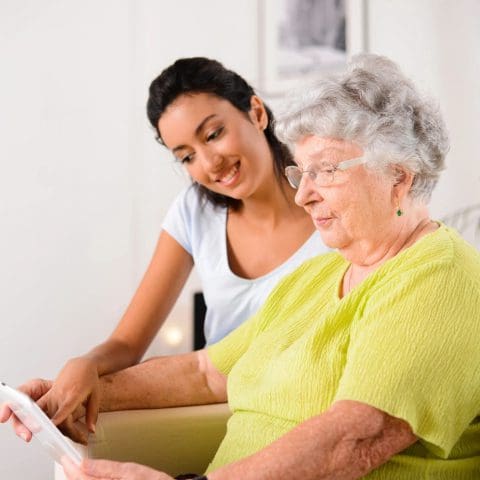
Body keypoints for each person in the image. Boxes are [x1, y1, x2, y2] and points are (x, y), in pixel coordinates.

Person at [5, 53, 480, 479]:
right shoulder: (317, 277)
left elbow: (355, 437)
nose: (304, 193)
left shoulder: (440, 275)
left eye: (327, 171)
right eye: (302, 172)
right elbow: (207, 374)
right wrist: (74, 394)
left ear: (399, 175)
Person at [4, 58, 326, 443]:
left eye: (213, 134)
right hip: (219, 415)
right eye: (186, 156)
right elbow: (127, 343)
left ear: (256, 112)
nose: (210, 163)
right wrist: (84, 366)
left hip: (306, 409)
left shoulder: (331, 199)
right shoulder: (195, 211)